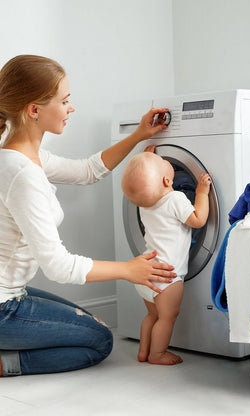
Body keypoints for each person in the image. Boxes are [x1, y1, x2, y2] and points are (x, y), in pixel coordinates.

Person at [0, 54, 177, 376]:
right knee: (98, 340)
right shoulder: (21, 173)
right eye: (65, 101)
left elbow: (88, 171)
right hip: (3, 306)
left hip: (10, 292)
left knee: (90, 322)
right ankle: (5, 362)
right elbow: (58, 266)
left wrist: (139, 135)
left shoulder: (22, 155)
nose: (72, 108)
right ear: (34, 110)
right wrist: (129, 270)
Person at [121, 148, 211, 365]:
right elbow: (198, 220)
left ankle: (143, 351)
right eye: (162, 161)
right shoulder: (176, 198)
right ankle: (157, 354)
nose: (164, 159)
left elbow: (146, 184)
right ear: (167, 180)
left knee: (152, 316)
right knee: (167, 318)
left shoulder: (144, 203)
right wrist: (200, 193)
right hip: (167, 276)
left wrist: (147, 159)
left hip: (147, 271)